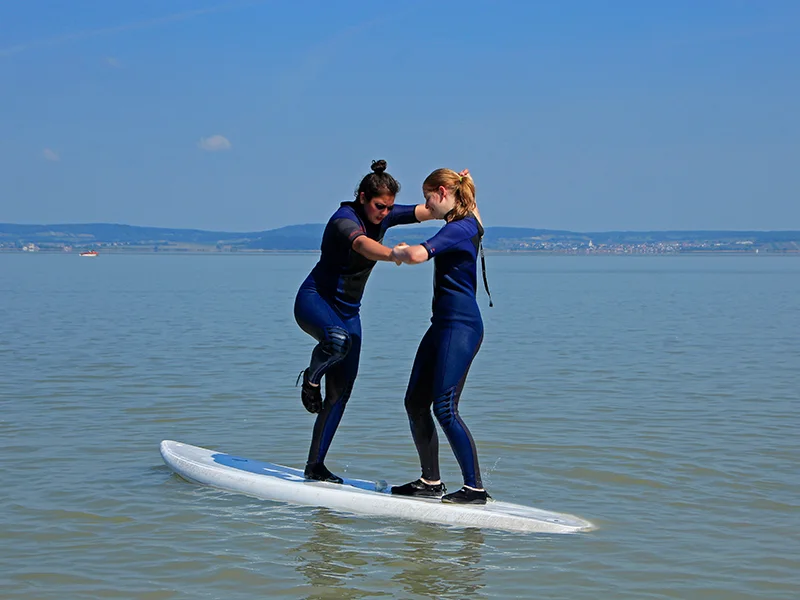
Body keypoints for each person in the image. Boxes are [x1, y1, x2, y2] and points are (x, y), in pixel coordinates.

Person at [294, 159, 434, 483]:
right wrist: (394, 254)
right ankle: (311, 380)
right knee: (337, 341)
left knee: (341, 392)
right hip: (314, 301)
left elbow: (427, 212)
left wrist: (456, 193)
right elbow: (361, 244)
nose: (384, 213)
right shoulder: (344, 220)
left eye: (388, 208)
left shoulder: (385, 213)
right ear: (362, 197)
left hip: (348, 312)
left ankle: (314, 466)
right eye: (379, 207)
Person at [389, 168, 493, 504]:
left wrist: (398, 252)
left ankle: (474, 488)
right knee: (415, 402)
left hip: (460, 327)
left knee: (445, 407)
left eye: (427, 198)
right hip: (441, 326)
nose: (426, 205)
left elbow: (420, 255)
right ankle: (430, 481)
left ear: (442, 192)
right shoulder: (467, 220)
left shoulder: (459, 229)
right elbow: (473, 206)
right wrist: (467, 181)